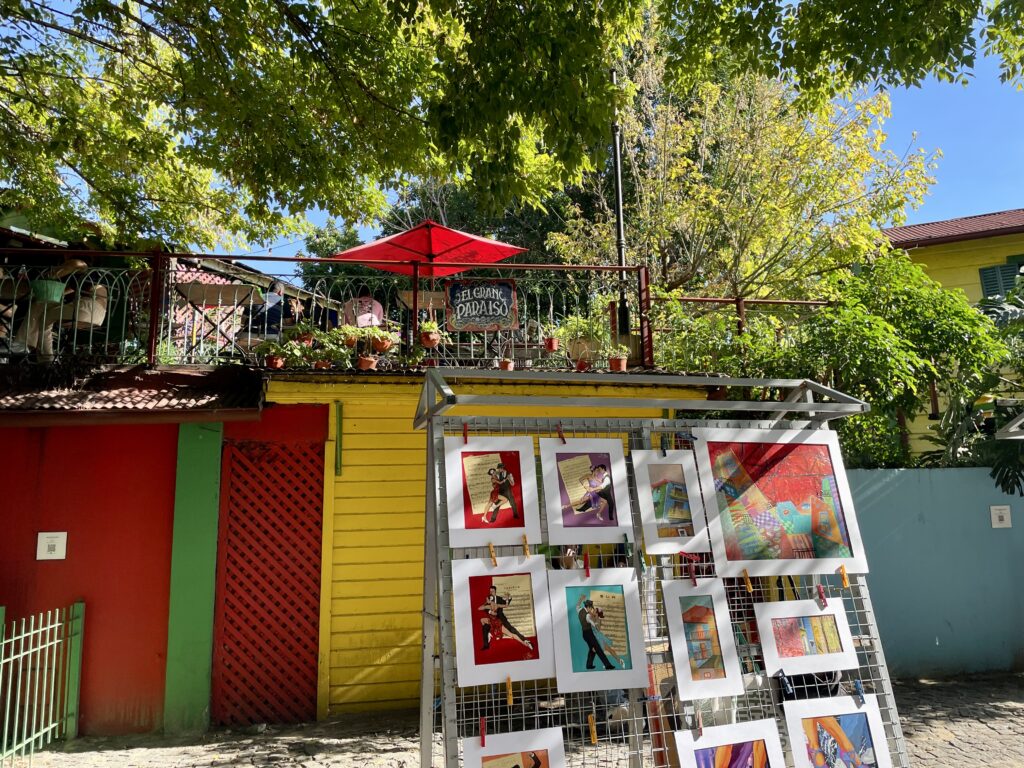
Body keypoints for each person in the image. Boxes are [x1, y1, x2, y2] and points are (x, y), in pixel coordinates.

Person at [479, 585, 533, 651]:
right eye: (490, 591)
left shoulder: (499, 600)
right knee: (483, 623)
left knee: (512, 630)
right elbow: (482, 608)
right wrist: (488, 607)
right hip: (491, 620)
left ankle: (525, 641)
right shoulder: (488, 601)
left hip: (500, 620)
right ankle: (487, 642)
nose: (491, 592)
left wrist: (508, 598)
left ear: (495, 591)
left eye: (492, 591)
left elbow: (506, 604)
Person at [576, 595, 615, 670]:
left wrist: (580, 599)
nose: (591, 610)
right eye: (591, 608)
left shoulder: (579, 610)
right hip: (589, 634)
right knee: (598, 649)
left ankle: (589, 665)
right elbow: (593, 624)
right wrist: (597, 622)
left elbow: (577, 605)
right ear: (589, 607)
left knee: (592, 649)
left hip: (584, 634)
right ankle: (608, 665)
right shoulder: (587, 616)